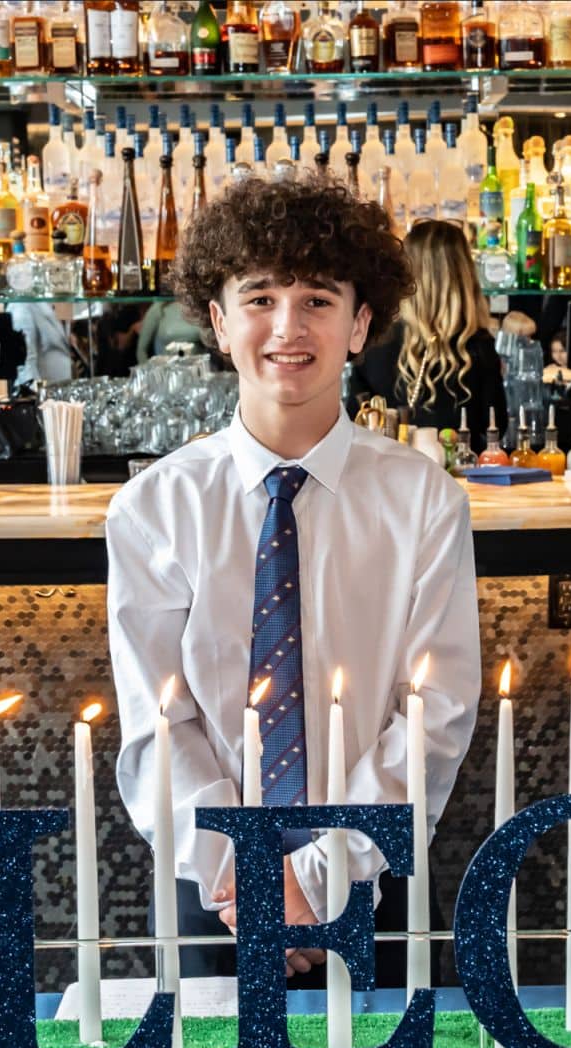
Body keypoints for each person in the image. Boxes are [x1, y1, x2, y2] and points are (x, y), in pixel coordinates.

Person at [105, 177, 482, 987]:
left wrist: (321, 876)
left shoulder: (424, 501)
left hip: (379, 878)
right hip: (213, 891)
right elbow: (157, 722)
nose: (287, 326)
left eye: (317, 299)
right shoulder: (153, 509)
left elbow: (436, 713)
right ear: (216, 319)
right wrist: (253, 879)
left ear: (362, 324)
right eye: (260, 297)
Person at [351, 219, 507, 448]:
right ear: (464, 277)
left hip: (388, 475)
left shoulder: (375, 341)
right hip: (457, 477)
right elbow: (496, 427)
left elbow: (353, 421)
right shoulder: (476, 345)